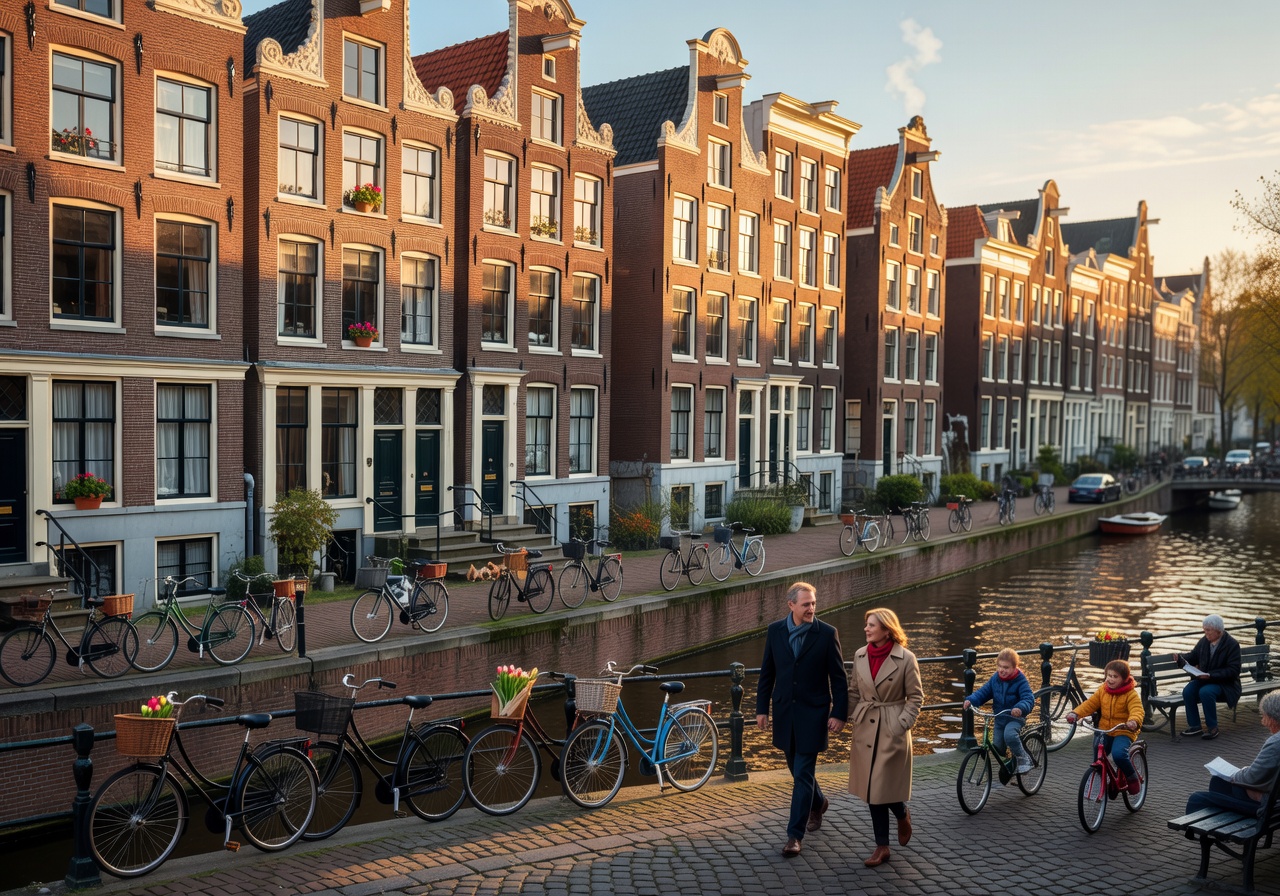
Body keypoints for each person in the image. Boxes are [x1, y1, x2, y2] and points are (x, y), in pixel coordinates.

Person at [756, 582, 848, 858]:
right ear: (791, 605)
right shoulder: (775, 631)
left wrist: (839, 713)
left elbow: (839, 679)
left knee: (803, 774)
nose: (811, 609)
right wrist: (762, 709)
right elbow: (767, 674)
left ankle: (794, 835)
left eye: (813, 604)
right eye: (805, 604)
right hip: (785, 713)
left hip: (814, 714)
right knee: (797, 770)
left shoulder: (826, 634)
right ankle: (819, 802)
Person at [847, 607, 923, 868]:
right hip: (866, 729)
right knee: (871, 789)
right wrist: (844, 716)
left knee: (880, 785)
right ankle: (882, 846)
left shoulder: (906, 658)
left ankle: (901, 814)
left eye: (871, 625)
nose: (866, 629)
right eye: (866, 624)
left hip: (892, 728)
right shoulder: (860, 655)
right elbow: (854, 691)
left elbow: (915, 697)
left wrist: (902, 724)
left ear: (886, 629)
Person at [1184, 689, 1280, 816]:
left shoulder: (1275, 743)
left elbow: (1251, 777)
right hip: (1273, 798)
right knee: (1218, 782)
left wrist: (1236, 775)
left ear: (1273, 718)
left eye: (1264, 716)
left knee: (1196, 799)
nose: (1263, 722)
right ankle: (1224, 822)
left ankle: (1226, 828)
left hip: (1270, 807)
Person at [1066, 659, 1144, 794]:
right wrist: (1075, 713)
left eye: (1115, 677)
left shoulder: (1130, 694)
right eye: (1109, 675)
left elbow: (1137, 710)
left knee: (1119, 755)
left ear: (1124, 679)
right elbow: (1090, 704)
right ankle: (1105, 780)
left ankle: (1132, 777)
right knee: (1098, 753)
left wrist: (1133, 721)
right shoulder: (1103, 690)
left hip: (1123, 731)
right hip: (1104, 730)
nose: (1111, 679)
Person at [965, 648, 1035, 774]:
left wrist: (1019, 708)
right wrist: (971, 700)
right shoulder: (995, 679)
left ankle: (1023, 759)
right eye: (1000, 666)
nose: (1002, 670)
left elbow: (1028, 698)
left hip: (1015, 718)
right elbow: (983, 692)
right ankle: (1010, 757)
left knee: (1009, 735)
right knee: (997, 747)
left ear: (1014, 667)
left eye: (1006, 667)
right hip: (1000, 718)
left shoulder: (1020, 680)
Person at [1174, 614, 1242, 740]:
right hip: (1205, 679)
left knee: (1206, 692)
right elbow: (1194, 656)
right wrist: (1181, 658)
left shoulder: (1232, 645)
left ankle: (1213, 728)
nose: (1206, 633)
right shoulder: (1204, 641)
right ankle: (1195, 726)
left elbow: (1233, 671)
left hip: (1225, 684)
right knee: (1188, 691)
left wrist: (1211, 675)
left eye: (1208, 630)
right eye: (1205, 630)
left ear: (1218, 631)